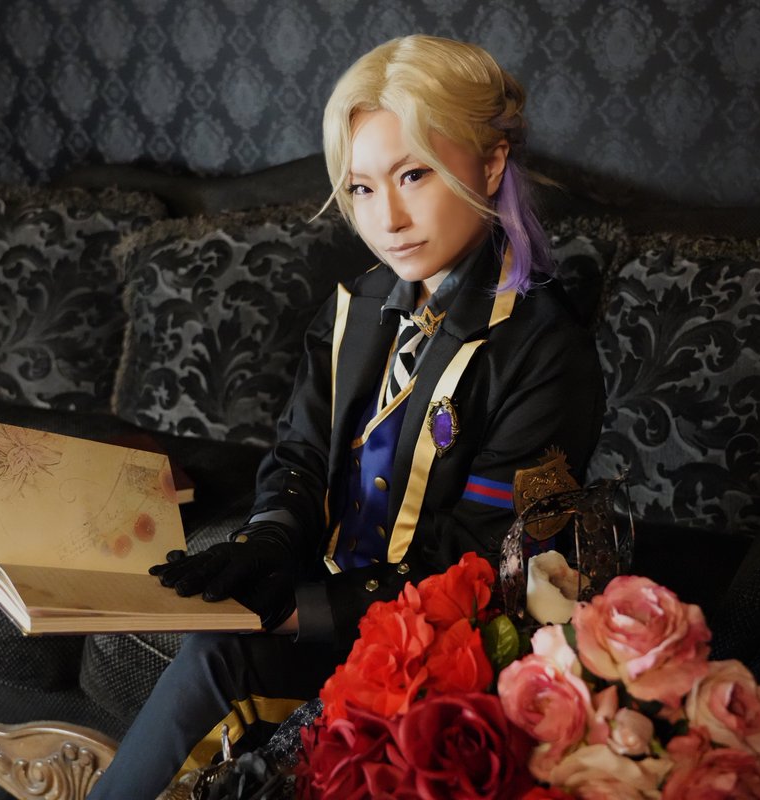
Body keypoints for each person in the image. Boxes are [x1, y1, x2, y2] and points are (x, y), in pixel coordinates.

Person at [86, 34, 603, 799]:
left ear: (492, 164)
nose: (386, 218)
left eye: (413, 175)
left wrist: (301, 610)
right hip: (338, 614)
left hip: (442, 656)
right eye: (360, 188)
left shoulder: (545, 350)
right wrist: (266, 544)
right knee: (211, 650)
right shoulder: (354, 308)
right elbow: (297, 457)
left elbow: (487, 568)